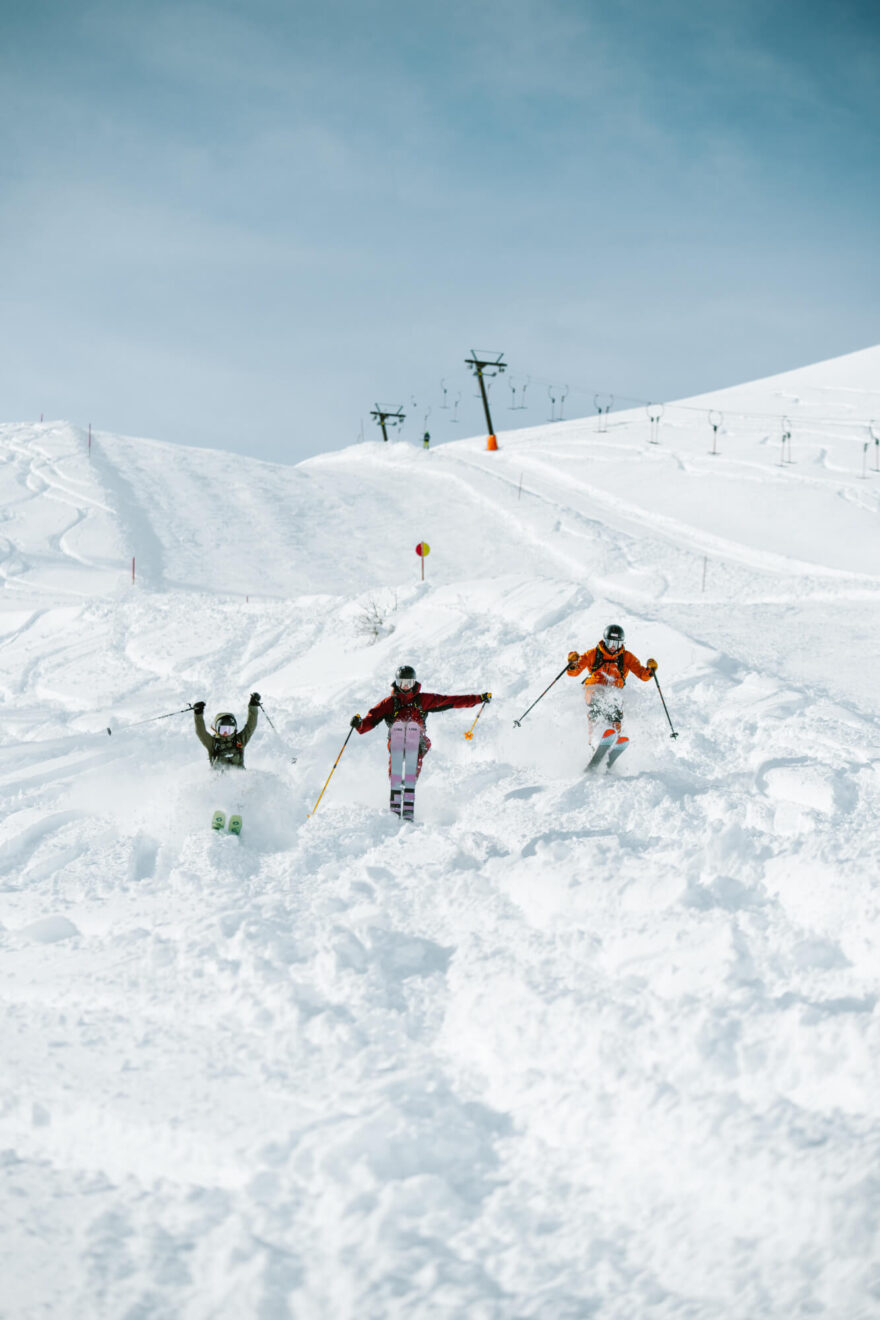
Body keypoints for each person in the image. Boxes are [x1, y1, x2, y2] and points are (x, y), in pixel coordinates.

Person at [350, 665, 490, 779]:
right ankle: (395, 779)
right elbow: (372, 718)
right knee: (398, 736)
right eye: (402, 683)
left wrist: (479, 698)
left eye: (408, 683)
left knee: (418, 739)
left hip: (418, 738)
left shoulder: (422, 700)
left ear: (414, 683)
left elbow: (451, 701)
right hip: (396, 738)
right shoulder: (389, 703)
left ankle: (411, 778)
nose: (405, 687)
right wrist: (360, 724)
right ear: (397, 683)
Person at [566, 625, 656, 738]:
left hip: (613, 690)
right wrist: (572, 664)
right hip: (593, 687)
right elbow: (574, 672)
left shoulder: (626, 657)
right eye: (610, 643)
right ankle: (593, 739)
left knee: (615, 706)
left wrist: (650, 671)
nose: (613, 647)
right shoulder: (593, 653)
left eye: (616, 643)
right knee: (596, 705)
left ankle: (614, 738)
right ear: (605, 641)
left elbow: (642, 674)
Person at [192, 694, 261, 768]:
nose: (225, 733)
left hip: (240, 777)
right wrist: (198, 713)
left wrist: (253, 706)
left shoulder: (239, 740)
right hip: (219, 778)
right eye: (223, 729)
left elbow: (251, 726)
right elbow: (201, 732)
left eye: (229, 730)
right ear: (216, 729)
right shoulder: (213, 744)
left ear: (234, 730)